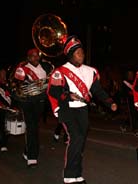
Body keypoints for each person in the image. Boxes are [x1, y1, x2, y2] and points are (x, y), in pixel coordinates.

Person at [47, 35, 117, 184]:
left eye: (82, 52)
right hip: (68, 110)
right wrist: (67, 95)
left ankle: (77, 174)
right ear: (71, 55)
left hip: (82, 110)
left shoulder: (90, 71)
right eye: (78, 52)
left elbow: (98, 90)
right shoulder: (62, 71)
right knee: (76, 138)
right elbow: (53, 90)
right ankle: (69, 176)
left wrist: (109, 102)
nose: (82, 55)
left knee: (80, 141)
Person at [13, 48, 53, 167]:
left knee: (34, 127)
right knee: (31, 128)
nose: (36, 58)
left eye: (37, 56)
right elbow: (17, 88)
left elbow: (47, 84)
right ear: (28, 57)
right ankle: (32, 156)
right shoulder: (23, 69)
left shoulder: (45, 68)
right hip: (28, 102)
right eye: (33, 56)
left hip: (40, 101)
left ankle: (27, 151)